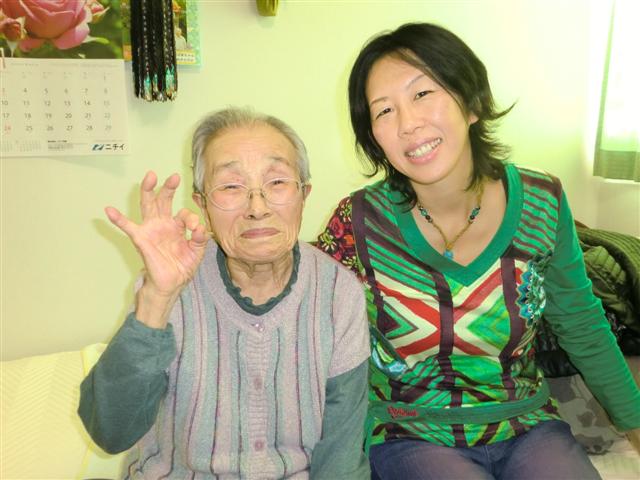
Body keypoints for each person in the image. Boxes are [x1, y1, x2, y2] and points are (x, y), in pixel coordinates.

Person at [316, 22, 640, 480]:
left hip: (527, 422)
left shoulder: (542, 202)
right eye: (384, 110)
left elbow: (582, 324)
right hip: (410, 430)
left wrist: (635, 422)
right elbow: (303, 322)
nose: (408, 123)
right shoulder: (359, 222)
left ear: (471, 103)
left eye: (423, 93)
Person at [78, 107, 370, 479]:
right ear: (202, 204)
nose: (257, 208)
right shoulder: (169, 282)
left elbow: (342, 453)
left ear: (304, 194)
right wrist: (157, 299)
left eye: (277, 182)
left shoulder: (338, 293)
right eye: (231, 187)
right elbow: (110, 433)